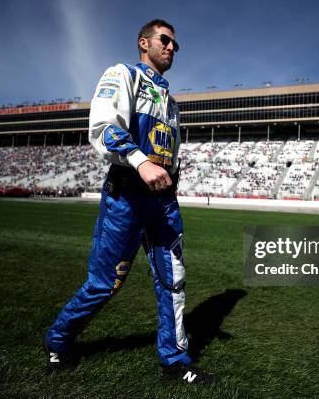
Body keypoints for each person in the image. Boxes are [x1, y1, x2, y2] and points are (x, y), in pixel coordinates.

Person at [43, 19, 217, 385]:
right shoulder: (122, 74)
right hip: (127, 195)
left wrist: (169, 181)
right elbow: (103, 127)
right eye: (165, 40)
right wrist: (142, 164)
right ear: (144, 42)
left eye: (175, 44)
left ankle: (174, 360)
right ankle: (59, 340)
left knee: (174, 280)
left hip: (164, 203)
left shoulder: (172, 103)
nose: (172, 47)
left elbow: (173, 154)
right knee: (106, 283)